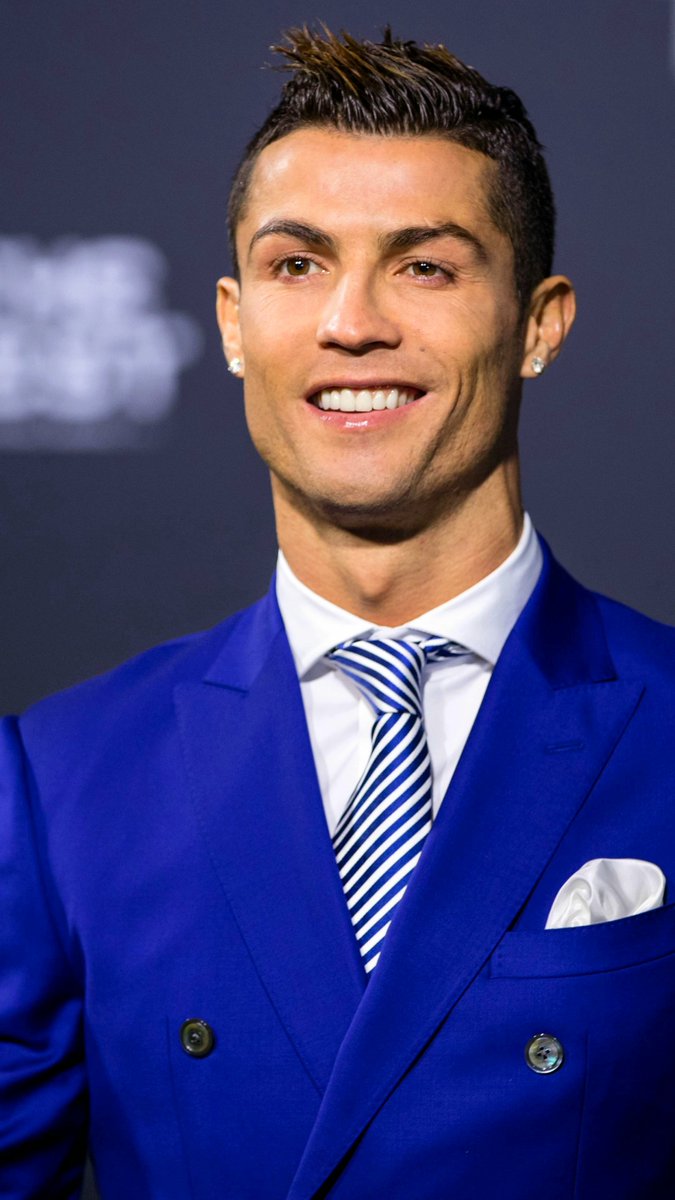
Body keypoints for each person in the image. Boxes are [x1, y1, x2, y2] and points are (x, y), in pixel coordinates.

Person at [2, 26, 675, 1200]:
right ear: (231, 322)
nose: (350, 322)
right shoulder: (60, 778)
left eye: (426, 267)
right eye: (298, 264)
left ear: (539, 323)